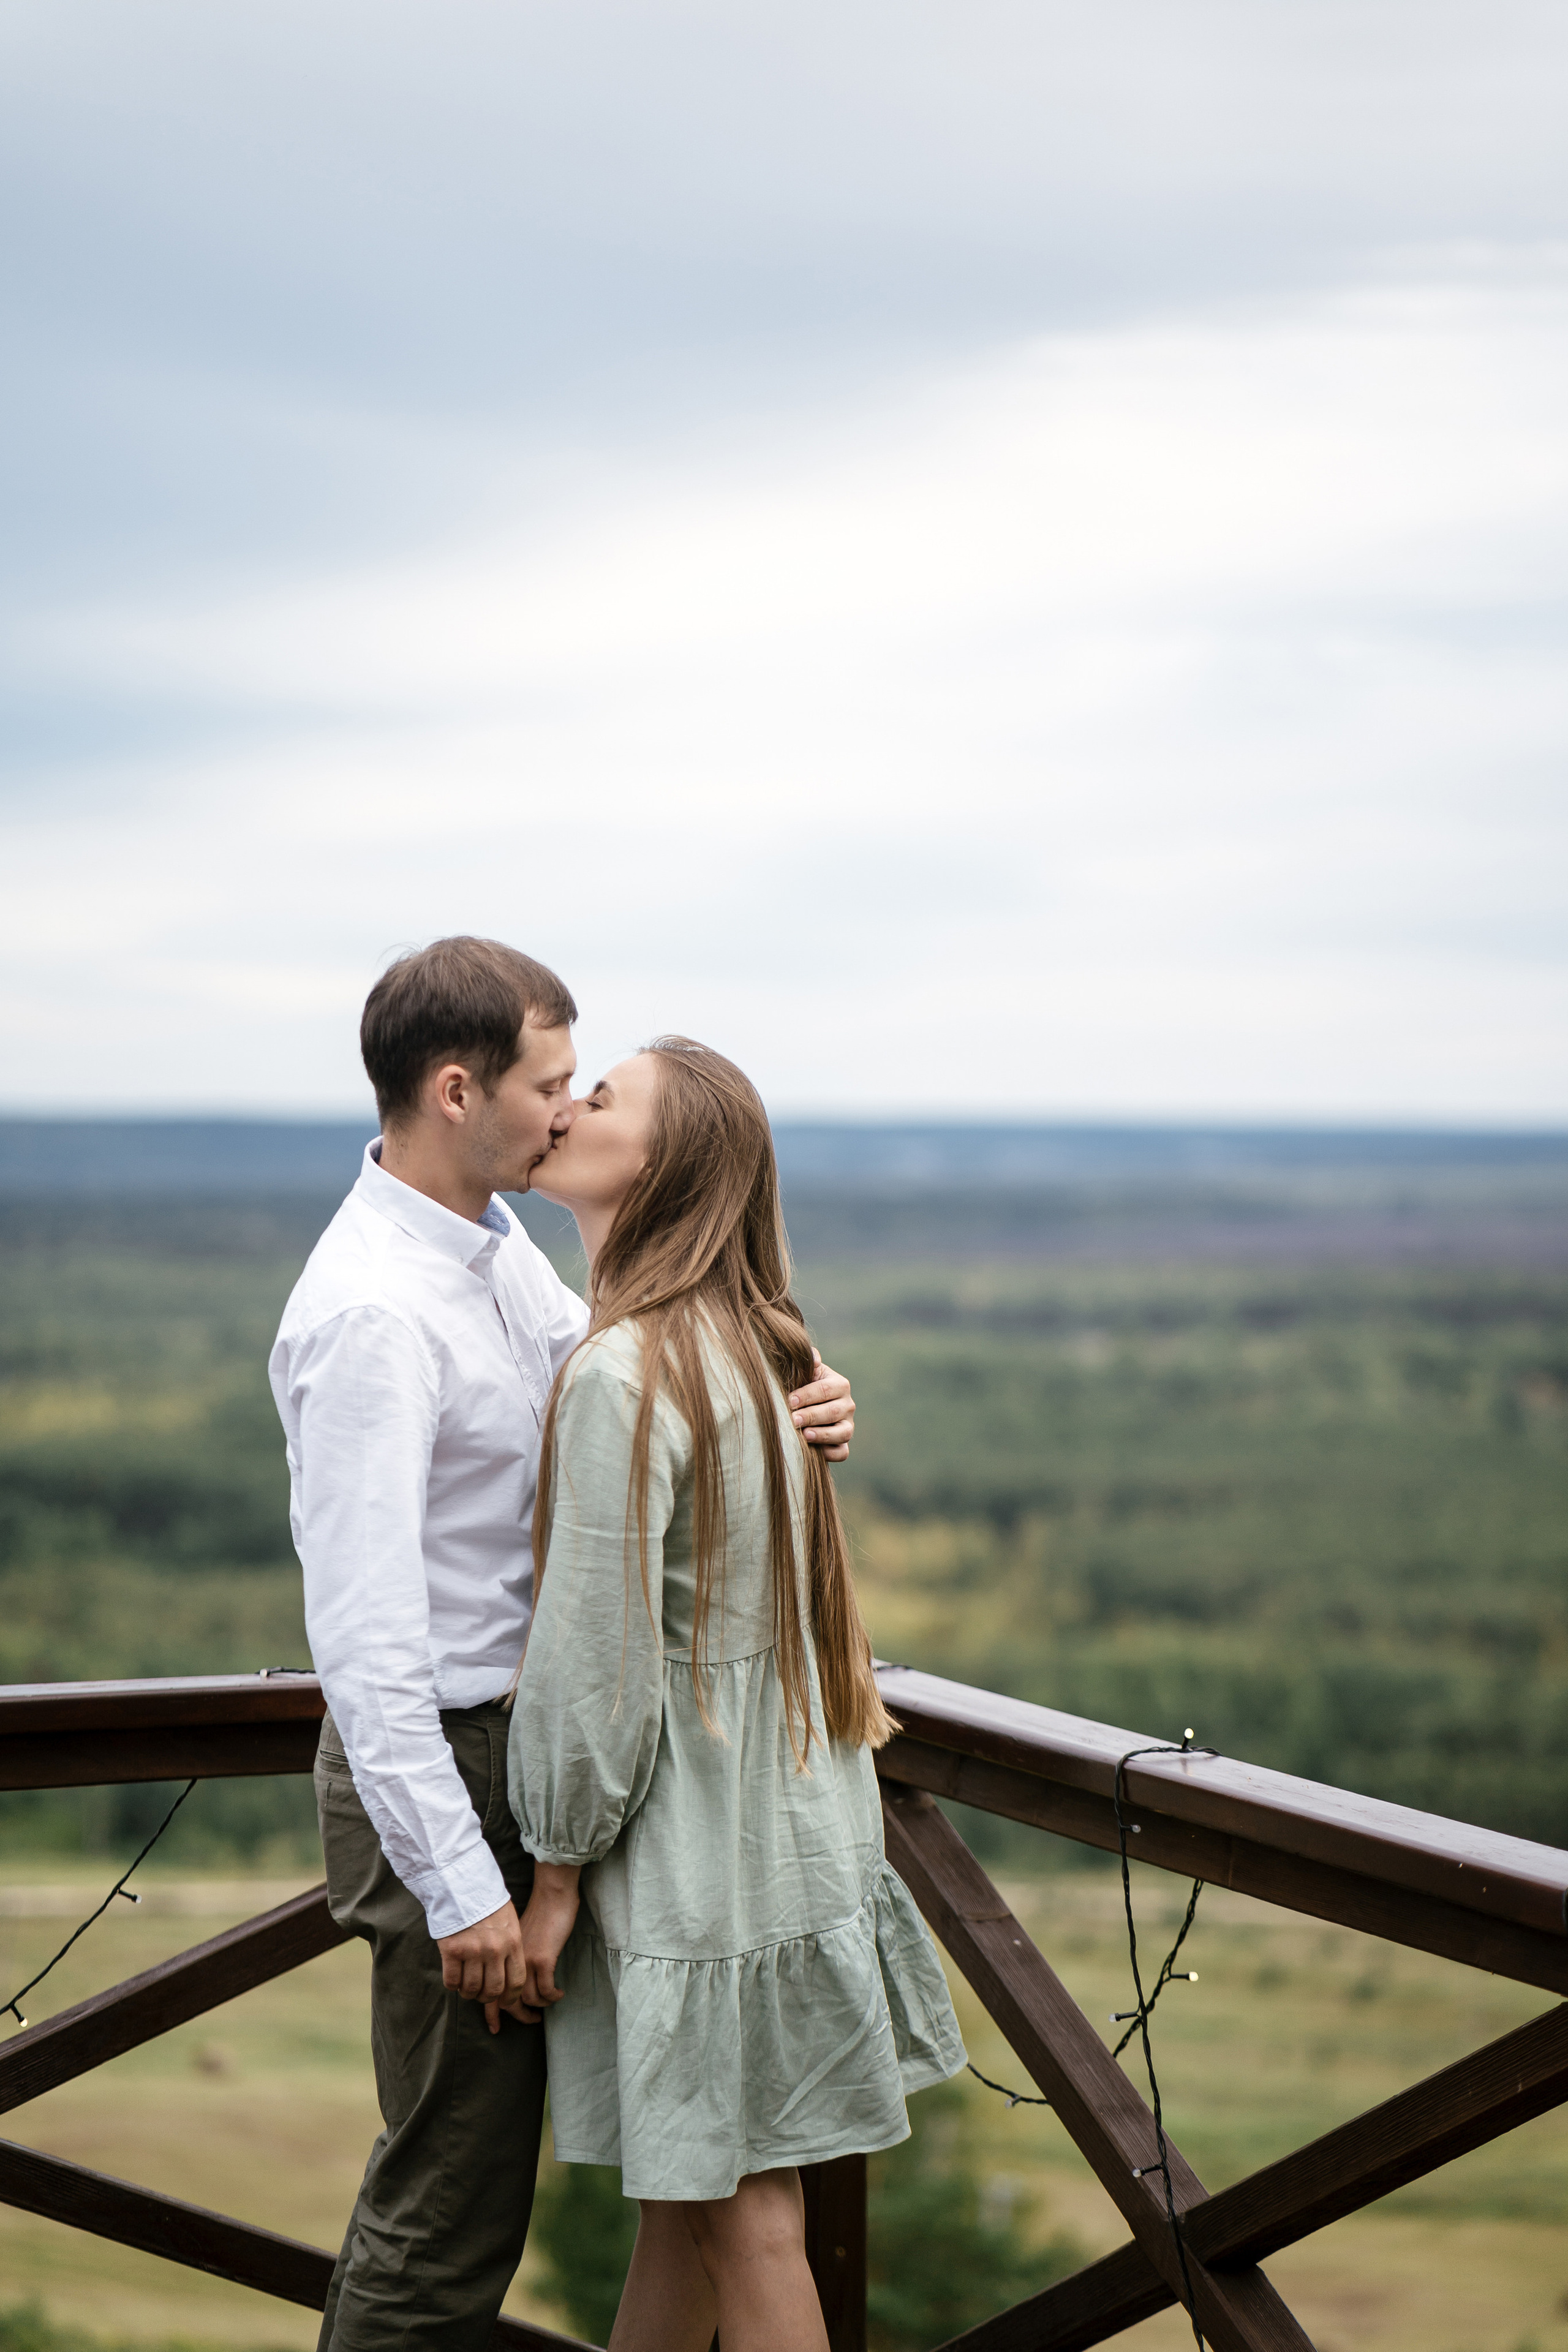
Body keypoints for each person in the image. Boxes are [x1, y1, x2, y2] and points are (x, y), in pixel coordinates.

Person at [268, 940, 859, 2352]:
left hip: (546, 1781)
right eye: (551, 1085)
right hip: (456, 1795)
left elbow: (635, 1400)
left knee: (670, 2188)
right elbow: (364, 1649)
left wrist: (798, 1410)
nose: (564, 1110)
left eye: (588, 1092)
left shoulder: (491, 1260)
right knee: (450, 2217)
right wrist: (469, 1889)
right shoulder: (373, 1314)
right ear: (460, 1089)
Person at [503, 1036, 965, 2352]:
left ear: (659, 1167)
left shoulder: (621, 1375)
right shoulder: (757, 1347)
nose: (567, 1109)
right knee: (685, 2205)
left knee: (749, 2218)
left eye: (599, 1100)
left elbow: (597, 1666)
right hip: (793, 1835)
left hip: (696, 1867)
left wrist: (552, 1877)